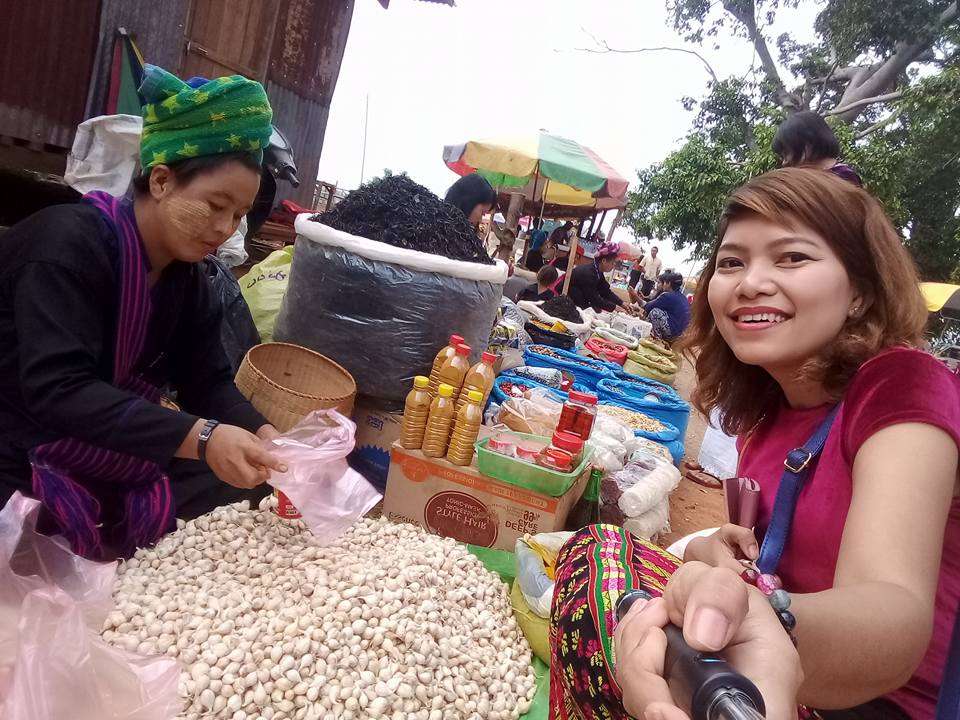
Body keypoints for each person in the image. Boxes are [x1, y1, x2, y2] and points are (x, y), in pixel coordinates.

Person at [616, 168, 959, 718]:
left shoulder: (904, 385)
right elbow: (772, 563)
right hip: (761, 654)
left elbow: (893, 612)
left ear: (860, 293)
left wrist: (764, 619)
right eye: (731, 263)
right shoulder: (769, 408)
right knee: (602, 563)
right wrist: (719, 557)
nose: (750, 282)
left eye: (791, 258)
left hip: (873, 700)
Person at [0, 65, 288, 561]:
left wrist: (265, 436)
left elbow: (208, 381)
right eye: (215, 205)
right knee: (30, 526)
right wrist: (202, 437)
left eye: (238, 216)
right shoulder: (66, 246)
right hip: (21, 431)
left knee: (243, 482)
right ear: (160, 180)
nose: (224, 228)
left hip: (92, 429)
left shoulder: (187, 277)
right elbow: (59, 389)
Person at [773, 111, 863, 186]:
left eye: (786, 153)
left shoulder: (843, 177)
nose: (784, 162)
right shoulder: (813, 178)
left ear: (808, 144)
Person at [566, 241, 626, 313]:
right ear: (604, 261)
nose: (613, 266)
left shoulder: (597, 272)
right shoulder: (589, 273)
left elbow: (606, 291)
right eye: (613, 263)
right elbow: (594, 299)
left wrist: (622, 303)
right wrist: (615, 307)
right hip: (568, 303)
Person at [639, 270, 690, 342]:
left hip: (673, 332)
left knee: (655, 312)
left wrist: (636, 296)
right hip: (680, 334)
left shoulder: (667, 296)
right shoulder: (683, 297)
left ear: (668, 283)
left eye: (664, 282)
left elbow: (647, 307)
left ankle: (657, 339)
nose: (663, 285)